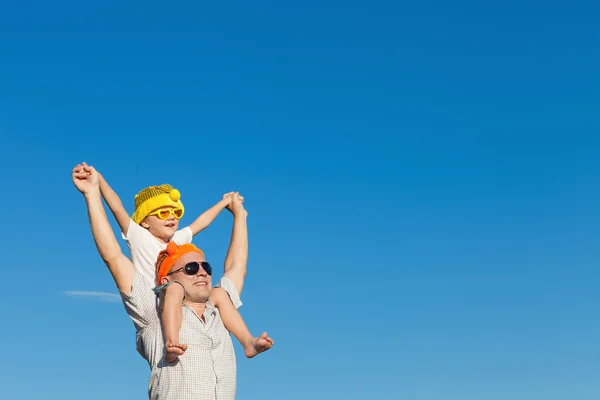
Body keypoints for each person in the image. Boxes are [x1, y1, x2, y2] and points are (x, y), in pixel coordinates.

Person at [72, 162, 273, 400]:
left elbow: (236, 266)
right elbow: (113, 256)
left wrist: (239, 215)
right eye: (190, 267)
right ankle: (172, 340)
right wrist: (93, 192)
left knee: (219, 293)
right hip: (162, 309)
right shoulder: (154, 309)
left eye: (206, 267)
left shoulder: (220, 308)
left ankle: (247, 342)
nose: (201, 272)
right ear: (168, 277)